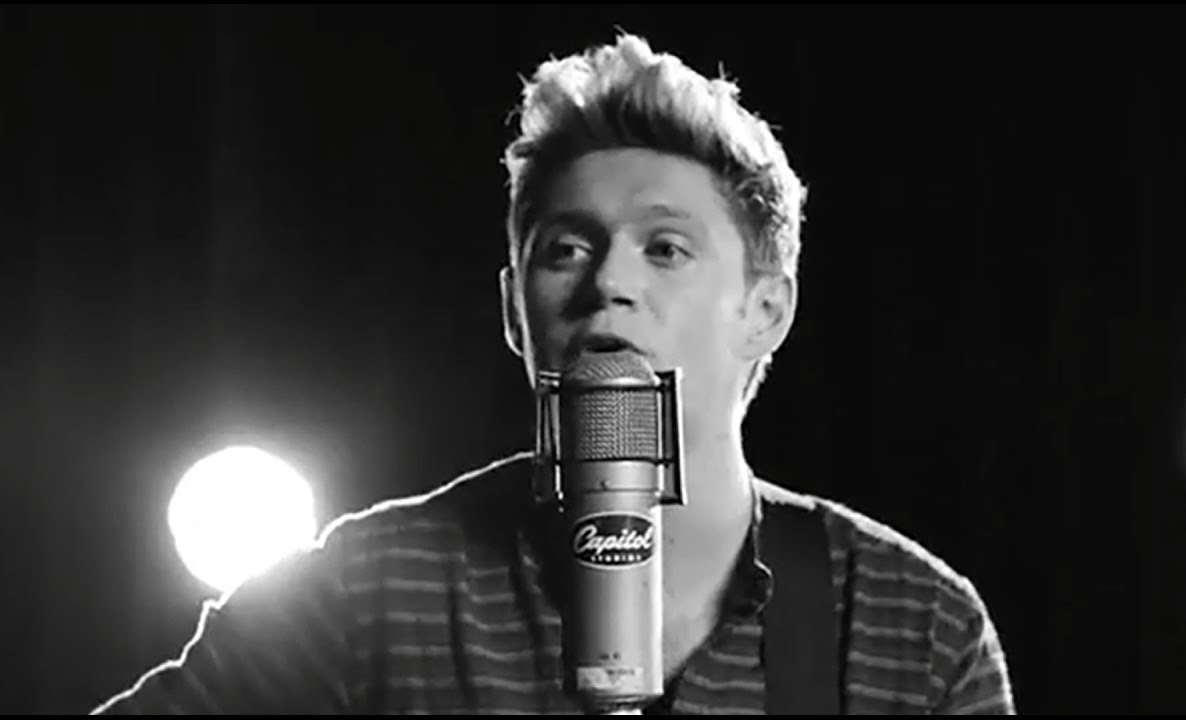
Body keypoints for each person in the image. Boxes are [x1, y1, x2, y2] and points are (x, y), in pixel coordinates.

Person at [90, 33, 1015, 715]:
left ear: (766, 310)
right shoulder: (365, 596)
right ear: (513, 311)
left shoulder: (913, 625)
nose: (609, 282)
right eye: (567, 249)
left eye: (666, 248)